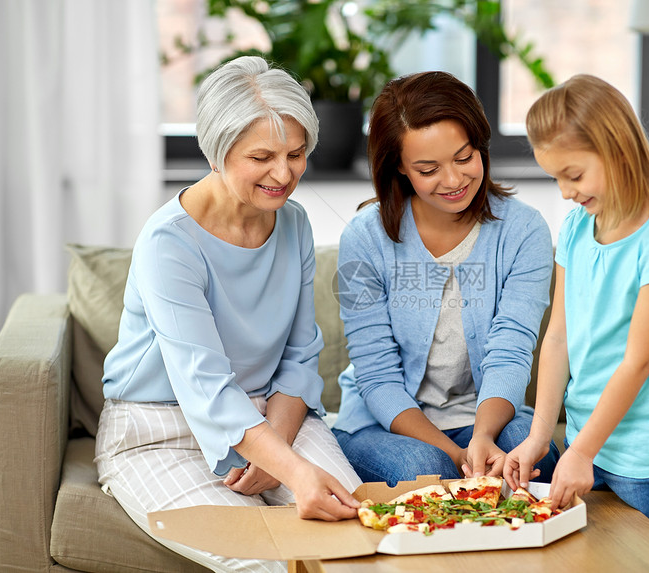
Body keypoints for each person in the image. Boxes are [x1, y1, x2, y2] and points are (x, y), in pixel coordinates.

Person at [95, 56, 361, 572]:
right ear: (217, 153)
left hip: (271, 417)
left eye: (297, 154)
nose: (284, 174)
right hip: (158, 430)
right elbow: (207, 388)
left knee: (355, 544)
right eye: (261, 156)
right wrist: (293, 472)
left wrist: (277, 451)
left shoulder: (294, 223)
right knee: (261, 563)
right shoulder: (168, 243)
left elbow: (301, 354)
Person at [331, 71, 560, 487]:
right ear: (399, 166)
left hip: (486, 414)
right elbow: (377, 376)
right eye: (428, 168)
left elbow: (511, 351)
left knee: (531, 459)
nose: (453, 180)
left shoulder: (524, 231)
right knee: (425, 472)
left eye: (463, 157)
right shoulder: (365, 239)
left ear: (481, 145)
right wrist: (456, 455)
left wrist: (483, 437)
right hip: (384, 425)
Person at [503, 74, 649, 537]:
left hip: (646, 453)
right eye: (555, 177)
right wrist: (541, 438)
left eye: (572, 175)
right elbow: (557, 338)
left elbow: (637, 362)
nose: (564, 191)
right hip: (584, 437)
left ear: (617, 150)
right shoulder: (576, 230)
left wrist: (582, 453)